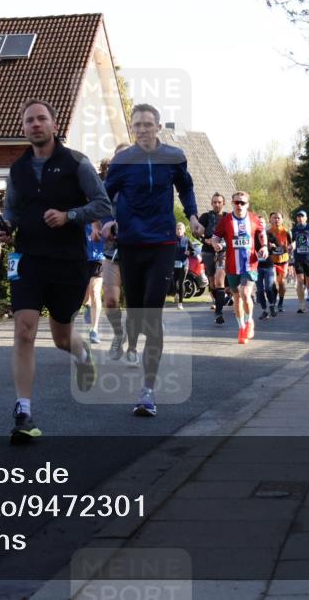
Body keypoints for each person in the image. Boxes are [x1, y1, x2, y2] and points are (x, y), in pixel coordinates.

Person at [0, 99, 111, 443]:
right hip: (28, 259)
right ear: (23, 127)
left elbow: (103, 204)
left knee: (62, 336)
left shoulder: (76, 162)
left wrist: (69, 216)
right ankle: (23, 410)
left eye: (41, 119)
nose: (35, 124)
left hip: (67, 262)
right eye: (29, 120)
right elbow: (12, 210)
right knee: (24, 331)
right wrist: (5, 227)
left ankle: (81, 351)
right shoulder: (17, 169)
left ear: (53, 123)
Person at [103, 104, 202, 417]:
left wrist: (194, 217)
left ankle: (147, 391)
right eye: (137, 125)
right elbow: (105, 194)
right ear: (133, 129)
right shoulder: (122, 160)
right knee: (135, 312)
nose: (143, 129)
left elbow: (185, 187)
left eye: (148, 124)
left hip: (162, 242)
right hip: (130, 244)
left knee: (152, 313)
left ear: (159, 126)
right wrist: (106, 220)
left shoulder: (173, 156)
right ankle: (131, 343)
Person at [211, 191, 265, 343]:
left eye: (242, 202)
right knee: (236, 297)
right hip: (232, 265)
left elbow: (261, 233)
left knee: (245, 292)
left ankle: (249, 322)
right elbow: (216, 236)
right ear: (232, 203)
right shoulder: (226, 220)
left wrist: (265, 246)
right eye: (236, 202)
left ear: (247, 204)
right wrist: (215, 243)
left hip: (250, 263)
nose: (239, 205)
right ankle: (241, 328)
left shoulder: (254, 219)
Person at [97, 151, 129, 360]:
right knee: (110, 300)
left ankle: (132, 344)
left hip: (137, 249)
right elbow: (95, 209)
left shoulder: (140, 185)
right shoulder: (104, 187)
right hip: (112, 251)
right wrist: (98, 225)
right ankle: (119, 334)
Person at [198, 192, 228, 324]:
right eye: (214, 202)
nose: (217, 204)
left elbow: (233, 235)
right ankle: (218, 302)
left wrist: (222, 244)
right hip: (208, 252)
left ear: (223, 203)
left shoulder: (228, 217)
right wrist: (207, 241)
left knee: (219, 280)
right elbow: (196, 232)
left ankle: (219, 312)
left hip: (223, 252)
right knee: (212, 282)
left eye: (219, 202)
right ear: (211, 203)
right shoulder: (205, 216)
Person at [82, 223, 104, 344]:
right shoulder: (82, 211)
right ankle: (88, 305)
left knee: (95, 292)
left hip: (98, 259)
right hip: (82, 258)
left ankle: (94, 330)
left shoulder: (104, 212)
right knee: (83, 297)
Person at [266, 211, 292, 314]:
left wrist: (288, 247)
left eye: (278, 218)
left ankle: (280, 302)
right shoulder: (267, 232)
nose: (276, 220)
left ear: (282, 220)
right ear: (270, 219)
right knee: (273, 283)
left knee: (281, 282)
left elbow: (291, 245)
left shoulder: (286, 232)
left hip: (283, 260)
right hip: (272, 261)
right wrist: (268, 246)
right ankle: (274, 300)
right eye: (274, 218)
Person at [171, 222, 195, 310]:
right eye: (177, 229)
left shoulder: (187, 240)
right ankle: (177, 293)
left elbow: (193, 252)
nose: (179, 230)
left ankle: (180, 303)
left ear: (184, 230)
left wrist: (189, 252)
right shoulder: (172, 240)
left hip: (184, 264)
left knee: (181, 282)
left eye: (180, 229)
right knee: (175, 282)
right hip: (174, 263)